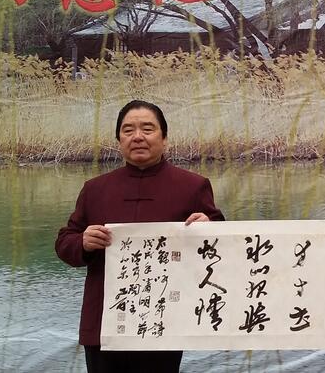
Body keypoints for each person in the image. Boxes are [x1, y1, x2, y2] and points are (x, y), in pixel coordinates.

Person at [55, 100, 225, 373]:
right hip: (104, 320)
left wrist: (208, 227)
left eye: (147, 129)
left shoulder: (193, 186)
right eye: (128, 130)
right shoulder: (95, 189)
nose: (137, 137)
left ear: (164, 138)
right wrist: (82, 242)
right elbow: (65, 242)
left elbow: (222, 243)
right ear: (119, 141)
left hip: (164, 318)